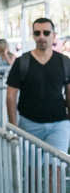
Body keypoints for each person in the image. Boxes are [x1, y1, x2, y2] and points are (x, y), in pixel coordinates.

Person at [6, 18, 70, 153]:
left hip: (59, 123)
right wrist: (13, 127)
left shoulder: (64, 61)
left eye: (46, 33)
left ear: (54, 35)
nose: (41, 37)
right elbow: (11, 96)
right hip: (29, 124)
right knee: (31, 170)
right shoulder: (21, 62)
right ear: (33, 36)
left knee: (57, 167)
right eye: (37, 33)